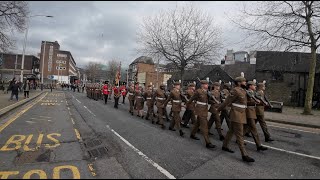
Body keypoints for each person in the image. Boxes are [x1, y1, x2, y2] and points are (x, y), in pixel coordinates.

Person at [217, 76, 255, 163]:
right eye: (244, 82)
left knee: (231, 131)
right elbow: (227, 101)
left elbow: (244, 102)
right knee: (240, 134)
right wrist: (218, 109)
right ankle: (244, 155)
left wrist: (254, 102)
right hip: (236, 114)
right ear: (239, 83)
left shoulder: (243, 91)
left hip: (242, 113)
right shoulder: (235, 90)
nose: (245, 83)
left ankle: (225, 146)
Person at [187, 80, 216, 149]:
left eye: (207, 84)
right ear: (202, 85)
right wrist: (187, 105)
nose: (207, 85)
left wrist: (213, 101)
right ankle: (208, 142)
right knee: (204, 126)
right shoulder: (198, 91)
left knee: (198, 123)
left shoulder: (207, 92)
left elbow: (208, 101)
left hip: (205, 109)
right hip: (200, 109)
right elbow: (191, 99)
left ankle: (192, 134)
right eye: (206, 84)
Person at [244, 81, 268, 151]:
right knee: (253, 128)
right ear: (250, 86)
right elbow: (245, 102)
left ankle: (239, 139)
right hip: (249, 111)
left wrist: (261, 102)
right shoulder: (247, 92)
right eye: (254, 85)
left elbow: (258, 100)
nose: (255, 87)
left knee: (245, 127)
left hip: (253, 111)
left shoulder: (254, 93)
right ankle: (258, 145)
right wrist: (254, 102)